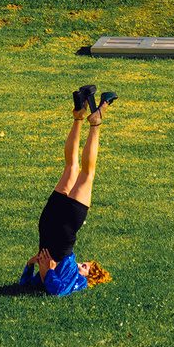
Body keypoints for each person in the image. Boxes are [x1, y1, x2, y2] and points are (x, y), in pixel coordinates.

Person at [21, 85, 115, 296]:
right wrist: (47, 272)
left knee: (85, 173)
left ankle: (95, 122)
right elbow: (50, 288)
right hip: (49, 226)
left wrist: (32, 266)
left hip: (58, 229)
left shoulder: (80, 283)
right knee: (73, 168)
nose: (79, 264)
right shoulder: (67, 277)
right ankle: (79, 116)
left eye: (84, 267)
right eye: (84, 264)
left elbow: (51, 290)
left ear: (89, 278)